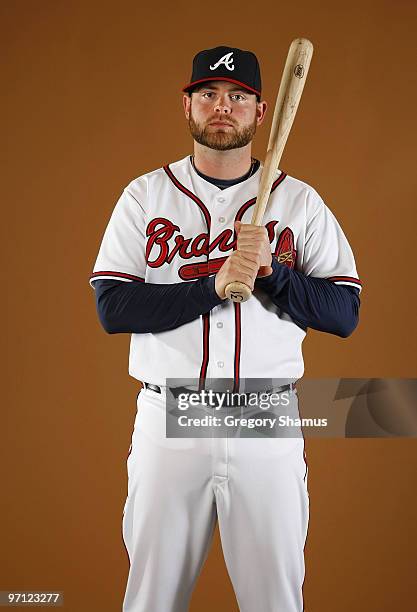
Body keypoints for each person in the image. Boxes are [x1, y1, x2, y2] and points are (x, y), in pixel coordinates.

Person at [89, 45, 361, 612]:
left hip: (265, 415)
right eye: (209, 94)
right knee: (151, 600)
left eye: (238, 97)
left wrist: (275, 275)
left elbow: (344, 313)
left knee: (276, 602)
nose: (223, 106)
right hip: (171, 416)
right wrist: (211, 286)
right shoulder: (145, 196)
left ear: (262, 113)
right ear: (186, 106)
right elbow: (114, 308)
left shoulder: (299, 201)